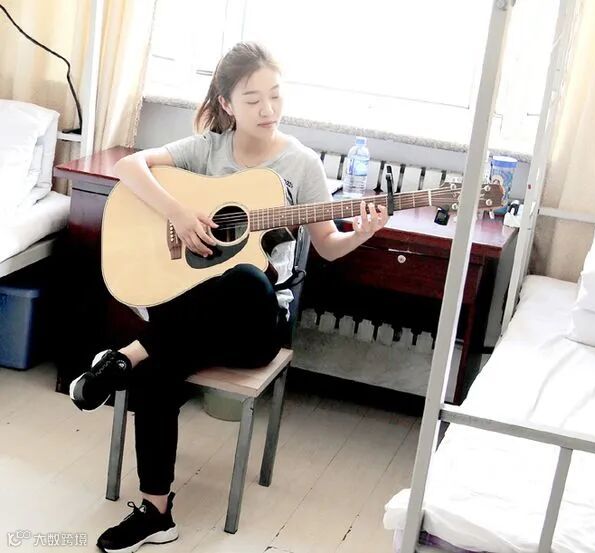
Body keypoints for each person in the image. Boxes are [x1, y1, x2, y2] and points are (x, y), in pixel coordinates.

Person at [69, 42, 389, 553]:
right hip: (192, 323)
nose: (268, 109)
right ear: (226, 103)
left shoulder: (301, 164)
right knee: (156, 373)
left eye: (276, 96)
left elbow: (328, 246)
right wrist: (177, 212)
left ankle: (127, 354)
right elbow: (132, 167)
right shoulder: (208, 150)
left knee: (245, 277)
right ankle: (156, 513)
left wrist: (361, 234)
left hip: (253, 327)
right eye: (253, 99)